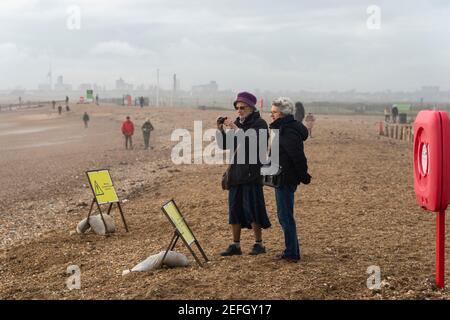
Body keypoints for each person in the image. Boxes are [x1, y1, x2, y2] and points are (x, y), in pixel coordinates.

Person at [216, 91, 271, 256]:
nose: (239, 110)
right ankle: (235, 245)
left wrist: (234, 127)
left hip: (252, 174)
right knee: (234, 209)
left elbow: (250, 143)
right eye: (237, 107)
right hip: (236, 173)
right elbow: (224, 145)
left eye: (243, 107)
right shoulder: (239, 123)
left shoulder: (260, 124)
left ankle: (259, 244)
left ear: (252, 108)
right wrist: (220, 129)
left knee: (253, 208)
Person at [270, 97, 311, 262]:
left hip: (286, 179)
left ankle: (292, 253)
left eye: (274, 112)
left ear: (282, 114)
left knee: (285, 216)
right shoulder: (284, 128)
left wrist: (304, 176)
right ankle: (291, 250)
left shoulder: (288, 131)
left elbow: (298, 157)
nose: (271, 115)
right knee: (284, 215)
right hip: (281, 177)